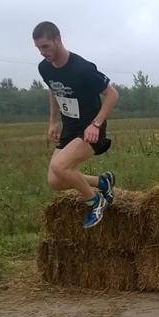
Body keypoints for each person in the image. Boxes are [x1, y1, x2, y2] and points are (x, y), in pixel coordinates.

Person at [33, 21, 119, 228]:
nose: (42, 53)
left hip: (90, 129)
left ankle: (95, 202)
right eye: (38, 48)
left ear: (57, 39)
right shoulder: (44, 68)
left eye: (45, 46)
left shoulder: (82, 68)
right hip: (70, 129)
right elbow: (54, 91)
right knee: (55, 181)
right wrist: (53, 122)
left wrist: (96, 125)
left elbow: (112, 94)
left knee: (59, 166)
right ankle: (102, 183)